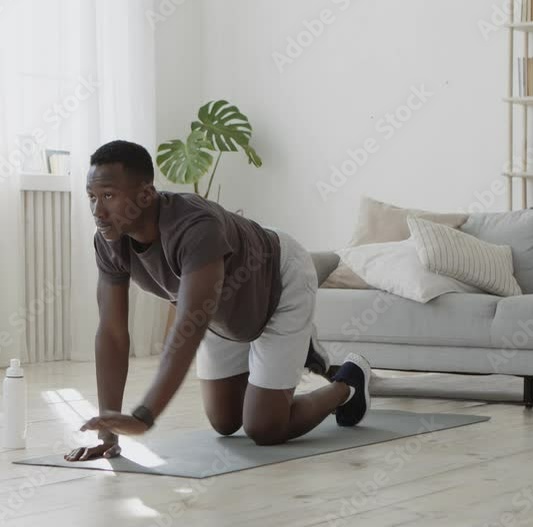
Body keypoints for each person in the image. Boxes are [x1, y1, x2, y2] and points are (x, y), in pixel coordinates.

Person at [64, 140, 371, 462]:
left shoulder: (195, 227)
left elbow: (189, 324)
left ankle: (348, 382)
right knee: (225, 422)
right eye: (92, 198)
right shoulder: (109, 241)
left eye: (109, 196)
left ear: (145, 195)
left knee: (264, 428)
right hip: (224, 311)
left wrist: (144, 416)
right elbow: (112, 333)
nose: (98, 211)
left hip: (278, 281)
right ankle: (301, 348)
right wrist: (108, 433)